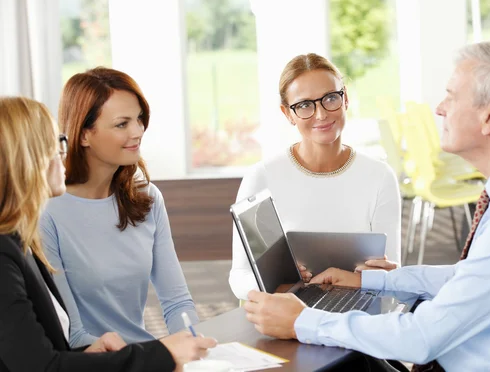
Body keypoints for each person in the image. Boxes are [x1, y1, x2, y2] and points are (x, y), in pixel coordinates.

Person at [242, 41, 490, 371]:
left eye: (451, 97)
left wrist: (301, 321)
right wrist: (371, 280)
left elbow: (421, 338)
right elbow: (468, 278)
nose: (440, 109)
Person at [0, 96, 217, 372]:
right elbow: (41, 366)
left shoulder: (19, 242)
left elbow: (45, 349)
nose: (61, 154)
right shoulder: (8, 252)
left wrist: (89, 353)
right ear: (25, 161)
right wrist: (161, 354)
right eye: (53, 145)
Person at [40, 67, 201, 347]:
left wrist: (194, 343)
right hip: (93, 362)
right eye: (121, 124)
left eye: (139, 119)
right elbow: (73, 334)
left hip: (142, 354)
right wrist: (153, 360)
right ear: (83, 135)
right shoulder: (47, 211)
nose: (138, 131)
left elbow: (177, 302)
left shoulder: (147, 198)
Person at [229, 53, 402, 300]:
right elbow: (239, 275)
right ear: (288, 113)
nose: (321, 114)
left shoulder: (380, 176)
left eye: (330, 98)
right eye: (305, 105)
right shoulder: (263, 177)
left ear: (346, 99)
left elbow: (393, 270)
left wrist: (374, 276)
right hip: (286, 310)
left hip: (356, 310)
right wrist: (276, 284)